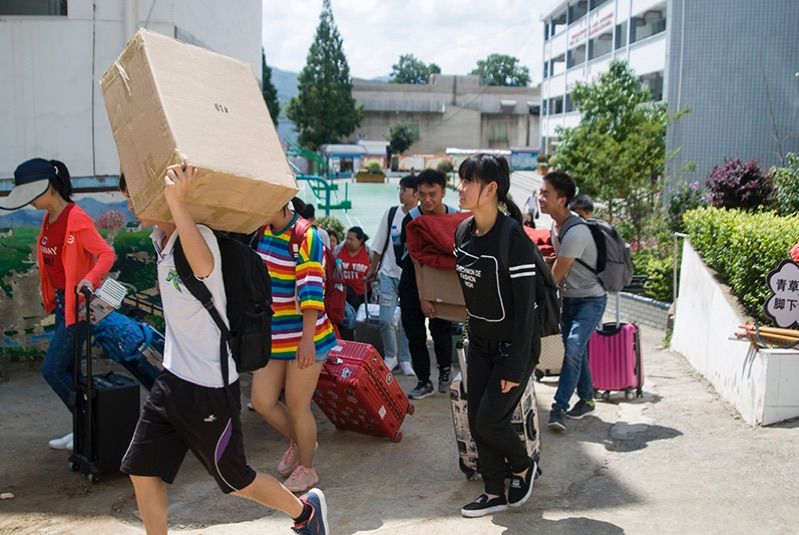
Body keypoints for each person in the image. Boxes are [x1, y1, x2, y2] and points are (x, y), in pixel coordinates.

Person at [118, 162, 329, 535]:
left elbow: (203, 267)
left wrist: (178, 202)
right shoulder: (160, 240)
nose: (130, 204)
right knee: (142, 468)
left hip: (208, 386)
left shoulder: (197, 236)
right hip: (172, 379)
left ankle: (305, 513)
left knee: (235, 480)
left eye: (134, 195)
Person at [0, 158, 115, 451]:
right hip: (64, 304)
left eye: (32, 196)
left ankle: (89, 427)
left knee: (52, 370)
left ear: (48, 187)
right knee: (71, 372)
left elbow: (106, 254)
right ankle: (83, 428)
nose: (30, 203)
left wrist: (89, 279)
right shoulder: (48, 218)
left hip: (81, 306)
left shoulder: (76, 218)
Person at [454, 154, 540, 517]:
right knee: (477, 420)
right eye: (460, 179)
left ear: (491, 189)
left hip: (513, 347)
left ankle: (523, 466)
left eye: (467, 181)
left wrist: (513, 365)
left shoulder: (513, 237)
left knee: (490, 420)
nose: (460, 188)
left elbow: (526, 311)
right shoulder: (462, 233)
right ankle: (493, 492)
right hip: (479, 343)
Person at [251, 196, 337, 493]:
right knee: (262, 400)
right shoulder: (263, 231)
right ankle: (301, 442)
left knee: (298, 405)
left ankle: (308, 468)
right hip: (275, 335)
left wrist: (307, 341)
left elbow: (312, 292)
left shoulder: (305, 236)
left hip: (306, 335)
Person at [538, 172, 607, 431]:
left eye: (546, 194)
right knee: (577, 350)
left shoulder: (575, 232)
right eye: (540, 192)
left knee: (573, 348)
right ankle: (587, 399)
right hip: (569, 300)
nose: (540, 198)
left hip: (591, 301)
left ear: (562, 199)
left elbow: (554, 277)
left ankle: (559, 409)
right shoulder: (556, 227)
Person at [399, 169, 457, 399]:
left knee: (441, 330)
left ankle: (445, 370)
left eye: (433, 194)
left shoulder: (456, 217)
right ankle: (424, 380)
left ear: (443, 192)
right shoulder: (411, 219)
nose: (427, 200)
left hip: (443, 282)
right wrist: (424, 297)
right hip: (414, 281)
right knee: (415, 334)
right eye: (422, 195)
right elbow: (415, 262)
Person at [365, 174, 417, 375]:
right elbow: (378, 245)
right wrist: (372, 269)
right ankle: (391, 355)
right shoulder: (391, 213)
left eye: (405, 189)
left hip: (411, 278)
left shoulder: (421, 216)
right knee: (386, 319)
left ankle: (405, 359)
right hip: (388, 274)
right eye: (400, 189)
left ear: (416, 194)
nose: (401, 193)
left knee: (407, 321)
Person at [336, 226, 371, 340]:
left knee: (360, 323)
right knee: (346, 323)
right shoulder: (339, 249)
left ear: (360, 240)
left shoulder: (368, 252)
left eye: (352, 239)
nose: (348, 241)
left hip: (362, 296)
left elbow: (375, 271)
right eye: (347, 238)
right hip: (343, 295)